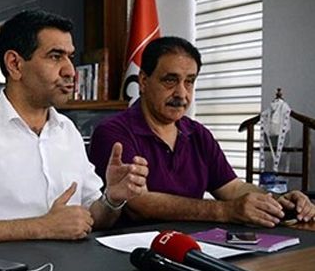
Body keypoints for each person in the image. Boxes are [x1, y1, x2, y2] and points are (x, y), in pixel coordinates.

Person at [0, 10, 149, 249]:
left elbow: (91, 216)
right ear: (15, 64)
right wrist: (43, 227)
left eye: (70, 57)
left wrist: (112, 199)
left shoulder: (68, 131)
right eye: (55, 56)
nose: (70, 71)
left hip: (69, 268)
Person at [89, 36, 315, 228]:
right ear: (144, 81)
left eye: (189, 82)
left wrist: (278, 201)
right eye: (170, 81)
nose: (181, 93)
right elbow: (139, 204)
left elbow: (232, 188)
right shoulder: (113, 132)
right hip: (132, 252)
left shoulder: (197, 134)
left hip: (194, 247)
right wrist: (226, 211)